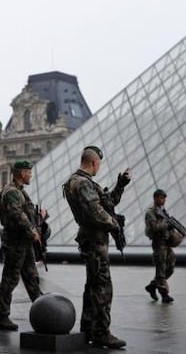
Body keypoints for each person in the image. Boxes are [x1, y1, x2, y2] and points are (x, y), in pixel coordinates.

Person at [62, 146, 131, 349]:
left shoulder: (80, 182)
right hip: (94, 241)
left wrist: (120, 185)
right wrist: (114, 224)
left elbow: (106, 203)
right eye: (99, 164)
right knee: (102, 286)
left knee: (92, 285)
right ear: (94, 162)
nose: (99, 167)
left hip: (92, 240)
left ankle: (89, 328)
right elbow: (95, 212)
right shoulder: (82, 183)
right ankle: (101, 332)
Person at [0, 160, 45, 331]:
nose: (31, 175)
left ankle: (44, 310)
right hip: (16, 242)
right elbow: (17, 214)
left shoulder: (20, 192)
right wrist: (32, 231)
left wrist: (40, 217)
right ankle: (2, 317)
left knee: (31, 277)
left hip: (24, 241)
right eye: (29, 172)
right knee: (10, 279)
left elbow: (25, 214)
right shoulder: (12, 192)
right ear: (22, 173)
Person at [144, 189, 176, 303]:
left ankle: (152, 286)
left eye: (164, 198)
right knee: (161, 268)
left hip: (167, 243)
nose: (163, 200)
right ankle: (164, 294)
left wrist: (171, 227)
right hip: (158, 243)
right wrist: (166, 224)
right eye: (161, 198)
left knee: (170, 267)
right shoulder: (150, 213)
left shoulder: (163, 211)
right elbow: (154, 227)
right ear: (155, 198)